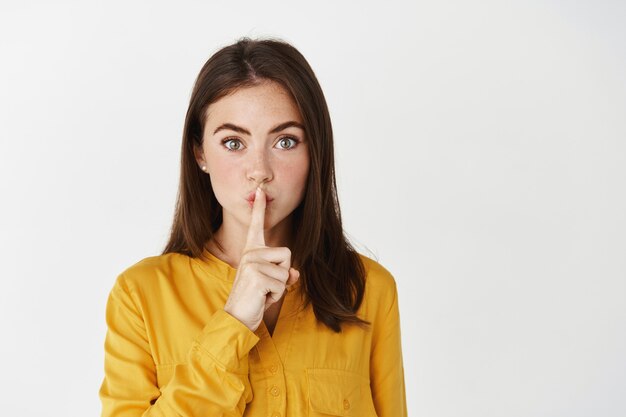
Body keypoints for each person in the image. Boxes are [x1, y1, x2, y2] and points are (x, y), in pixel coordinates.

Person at [98, 36, 407, 417]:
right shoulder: (141, 296)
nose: (259, 170)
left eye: (285, 141)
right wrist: (234, 322)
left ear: (315, 153)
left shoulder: (369, 289)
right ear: (200, 153)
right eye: (233, 143)